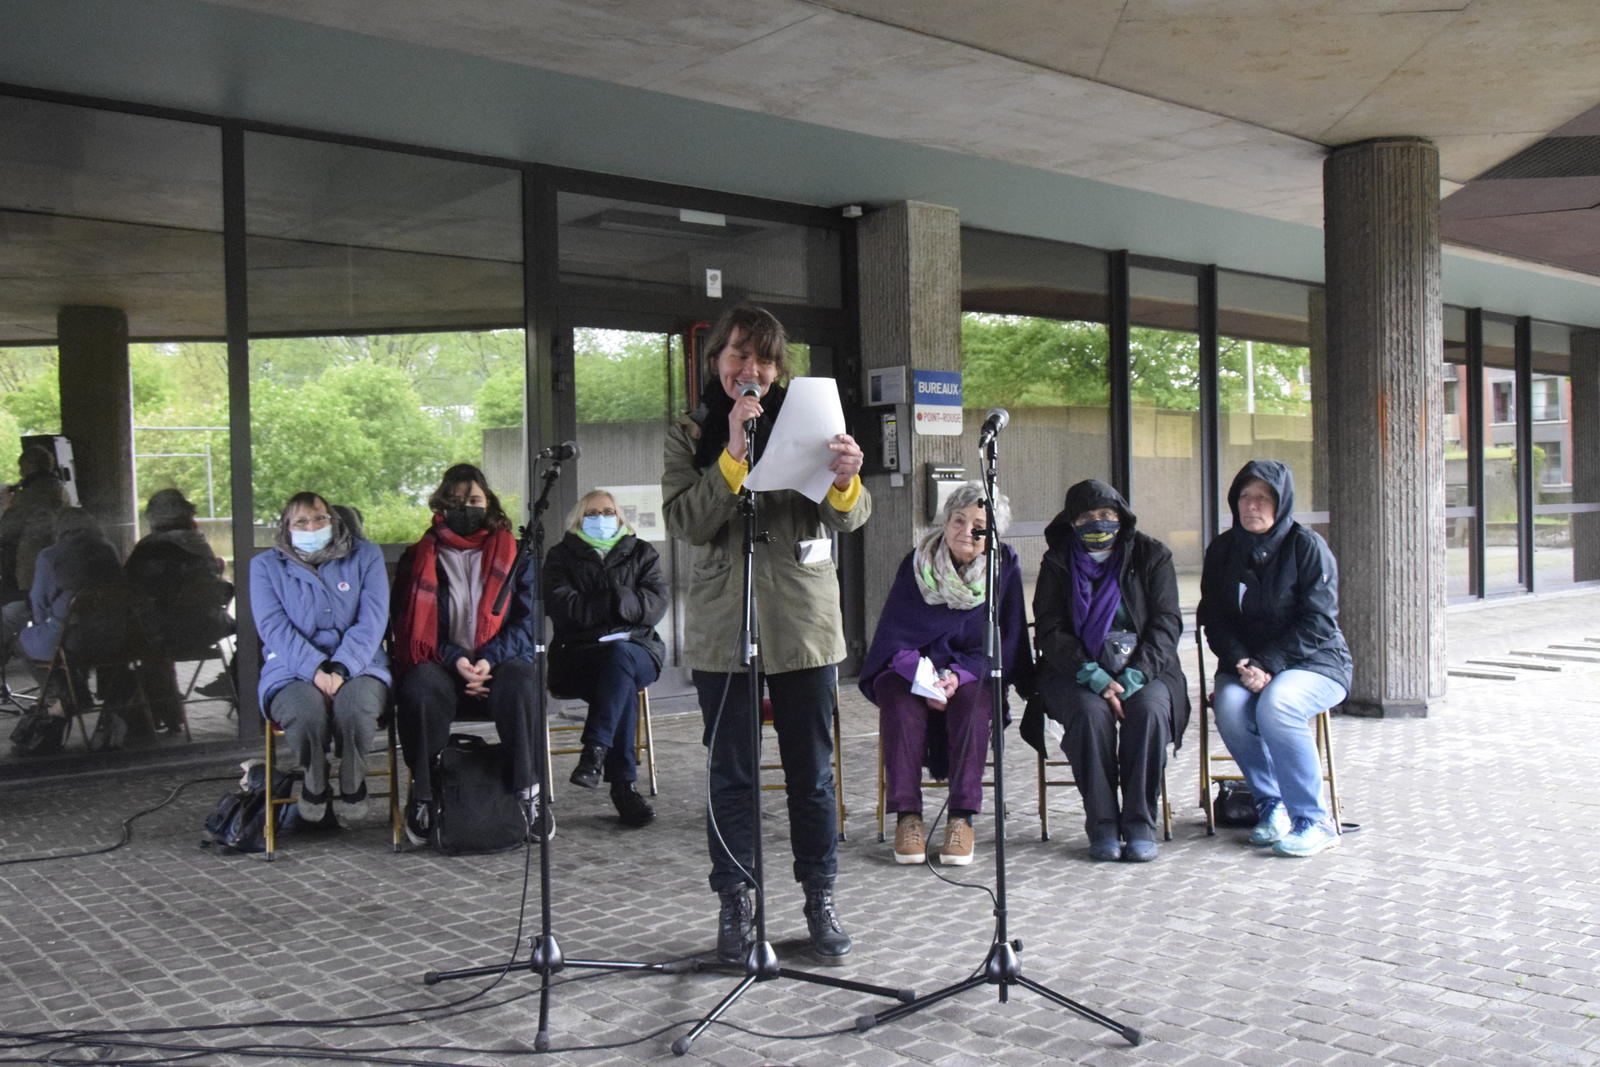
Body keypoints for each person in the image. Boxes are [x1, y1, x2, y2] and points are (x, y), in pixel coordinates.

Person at [662, 303, 869, 967]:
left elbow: (853, 516)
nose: (750, 370)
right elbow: (686, 522)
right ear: (716, 360)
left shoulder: (810, 425)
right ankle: (736, 903)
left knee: (811, 773)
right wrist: (729, 453)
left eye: (764, 360)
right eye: (737, 357)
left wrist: (845, 479)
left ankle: (820, 898)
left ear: (779, 370)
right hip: (727, 629)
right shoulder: (689, 432)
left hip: (804, 625)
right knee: (731, 774)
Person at [858, 482, 1031, 868]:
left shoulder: (1003, 566)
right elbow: (894, 634)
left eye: (979, 525)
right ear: (946, 521)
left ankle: (961, 818)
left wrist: (958, 676)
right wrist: (922, 677)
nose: (967, 531)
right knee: (898, 701)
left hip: (971, 671)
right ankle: (908, 818)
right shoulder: (918, 561)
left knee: (974, 704)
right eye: (959, 519)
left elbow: (1008, 638)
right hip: (912, 669)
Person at [1025, 479, 1188, 863]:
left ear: (1122, 517)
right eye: (1086, 517)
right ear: (1070, 522)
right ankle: (1101, 825)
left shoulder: (1152, 555)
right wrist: (1095, 678)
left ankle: (1139, 824)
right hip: (1076, 670)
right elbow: (1050, 628)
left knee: (1147, 711)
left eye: (1106, 515)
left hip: (1146, 669)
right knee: (1088, 714)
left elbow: (1166, 624)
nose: (1097, 523)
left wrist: (1131, 680)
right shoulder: (1057, 561)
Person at [1198, 460, 1352, 858]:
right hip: (1246, 664)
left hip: (1315, 661)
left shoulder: (1307, 547)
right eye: (1245, 497)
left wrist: (1269, 664)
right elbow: (1213, 617)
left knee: (1278, 704)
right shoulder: (1222, 550)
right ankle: (1271, 804)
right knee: (1230, 706)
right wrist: (1242, 662)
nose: (1252, 506)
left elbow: (1319, 621)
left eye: (1263, 498)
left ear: (1281, 503)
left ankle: (1314, 820)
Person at [393, 463, 544, 845]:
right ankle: (425, 794)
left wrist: (487, 660)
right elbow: (413, 630)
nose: (466, 507)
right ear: (441, 505)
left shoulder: (515, 553)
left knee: (522, 682)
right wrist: (457, 660)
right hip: (445, 666)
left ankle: (530, 794)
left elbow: (526, 624)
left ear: (489, 503)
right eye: (457, 501)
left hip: (500, 663)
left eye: (474, 500)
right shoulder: (420, 556)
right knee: (420, 687)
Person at [250, 493, 390, 824]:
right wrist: (315, 669)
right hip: (290, 668)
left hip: (361, 665)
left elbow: (372, 620)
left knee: (356, 709)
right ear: (286, 526)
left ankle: (353, 778)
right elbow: (274, 627)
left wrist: (341, 668)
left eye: (319, 519)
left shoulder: (365, 556)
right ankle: (314, 779)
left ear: (334, 520)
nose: (311, 526)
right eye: (301, 521)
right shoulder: (265, 567)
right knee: (305, 711)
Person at [543, 488, 667, 828]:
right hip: (579, 656)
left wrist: (608, 600)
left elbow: (655, 605)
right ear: (579, 519)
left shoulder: (642, 553)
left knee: (620, 658)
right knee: (619, 674)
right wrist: (617, 602)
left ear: (620, 516)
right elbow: (563, 608)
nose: (601, 519)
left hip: (640, 650)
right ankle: (622, 787)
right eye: (592, 514)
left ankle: (595, 752)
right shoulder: (560, 556)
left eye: (607, 512)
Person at [15, 508, 127, 750]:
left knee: (22, 640)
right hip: (114, 638)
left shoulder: (50, 556)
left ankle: (65, 691)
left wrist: (42, 622)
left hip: (72, 638)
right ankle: (78, 691)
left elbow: (39, 602)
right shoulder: (108, 549)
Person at [124, 488, 233, 733]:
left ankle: (150, 713)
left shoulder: (152, 548)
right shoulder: (198, 542)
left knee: (134, 641)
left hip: (172, 634)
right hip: (209, 627)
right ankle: (168, 711)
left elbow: (129, 588)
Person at [1, 446, 65, 666]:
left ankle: (56, 688)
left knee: (15, 624)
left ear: (28, 467)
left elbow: (7, 530)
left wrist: (6, 506)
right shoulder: (61, 489)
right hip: (58, 569)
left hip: (32, 570)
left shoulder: (29, 495)